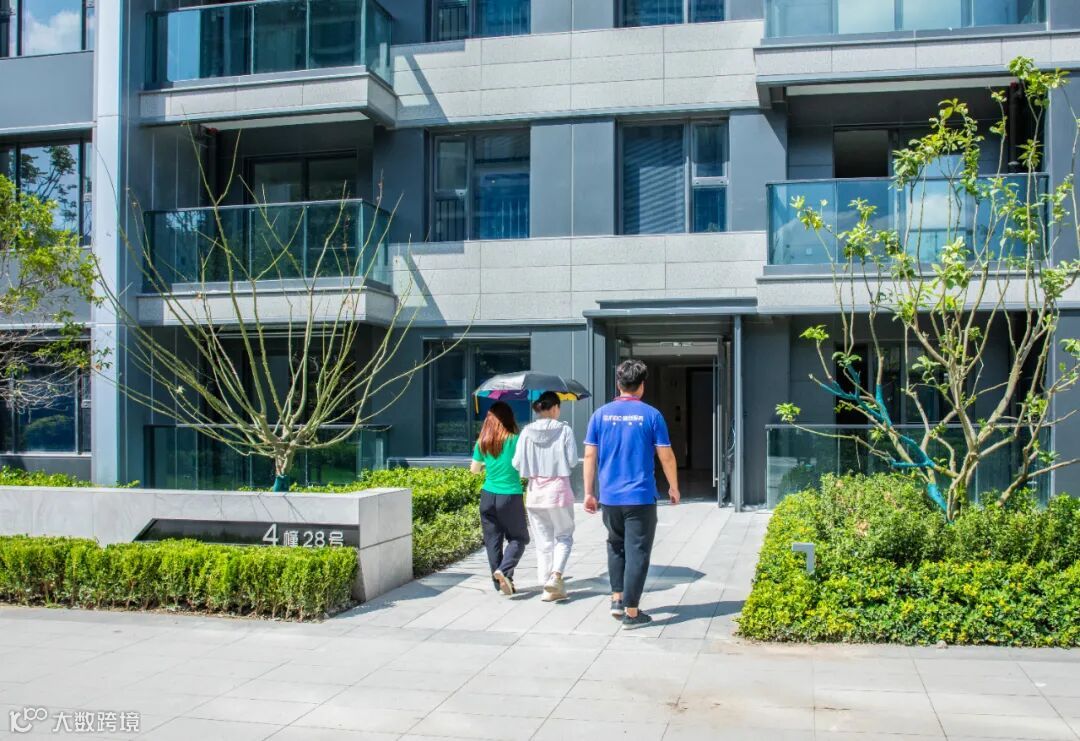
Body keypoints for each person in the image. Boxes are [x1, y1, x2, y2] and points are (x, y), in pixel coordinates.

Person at [583, 359, 680, 629]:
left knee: (615, 545)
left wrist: (589, 493)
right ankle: (632, 612)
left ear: (619, 384)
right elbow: (666, 455)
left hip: (610, 497)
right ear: (642, 386)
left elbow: (589, 455)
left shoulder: (600, 415)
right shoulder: (652, 415)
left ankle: (617, 599)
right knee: (637, 552)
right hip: (640, 497)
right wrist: (673, 486)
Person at [513, 391, 578, 602]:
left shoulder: (526, 432)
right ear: (555, 408)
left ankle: (546, 587)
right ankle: (556, 576)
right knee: (564, 536)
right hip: (558, 491)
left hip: (535, 493)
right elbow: (572, 461)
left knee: (543, 542)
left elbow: (516, 463)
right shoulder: (565, 430)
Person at [470, 401, 528, 595]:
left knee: (492, 541)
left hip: (487, 496)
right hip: (509, 496)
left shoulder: (483, 441)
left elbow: (474, 470)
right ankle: (504, 571)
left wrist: (489, 465)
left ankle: (501, 583)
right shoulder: (516, 439)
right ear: (509, 418)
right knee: (519, 538)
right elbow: (523, 467)